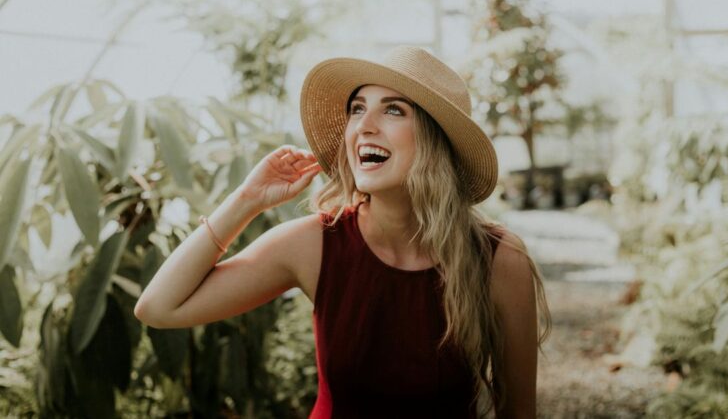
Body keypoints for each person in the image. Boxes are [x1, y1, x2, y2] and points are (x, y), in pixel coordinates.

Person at [134, 45, 551, 418]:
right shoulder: (315, 244)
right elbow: (158, 307)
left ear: (434, 141)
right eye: (356, 109)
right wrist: (246, 200)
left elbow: (518, 412)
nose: (364, 126)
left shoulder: (497, 259)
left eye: (392, 110)